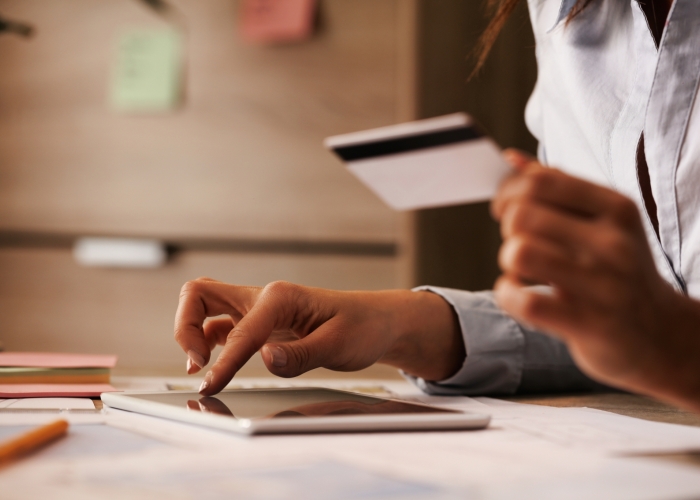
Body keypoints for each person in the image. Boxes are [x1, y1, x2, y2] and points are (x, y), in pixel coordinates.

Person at [174, 0, 700, 414]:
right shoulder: (558, 12)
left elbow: (653, 335)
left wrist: (672, 343)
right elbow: (606, 330)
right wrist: (395, 324)